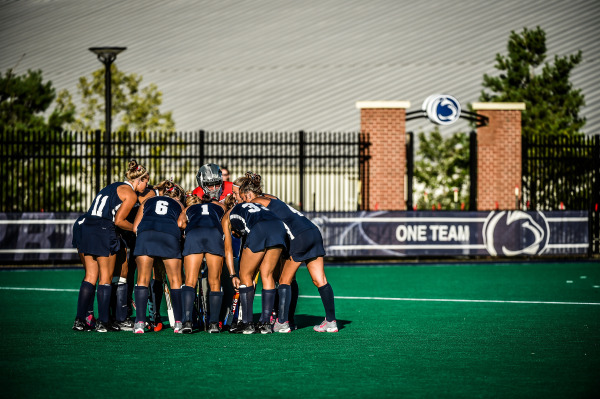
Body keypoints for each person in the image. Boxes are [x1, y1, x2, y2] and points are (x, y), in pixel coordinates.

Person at [240, 173, 338, 333]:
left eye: (244, 199)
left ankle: (283, 322)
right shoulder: (271, 197)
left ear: (249, 194)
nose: (245, 203)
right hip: (313, 231)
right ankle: (331, 321)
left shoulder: (256, 202)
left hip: (297, 237)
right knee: (320, 280)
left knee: (285, 280)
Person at [73, 160, 149, 333]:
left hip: (86, 226)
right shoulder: (131, 194)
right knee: (105, 278)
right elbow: (119, 221)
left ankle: (80, 320)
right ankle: (103, 322)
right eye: (146, 181)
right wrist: (138, 229)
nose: (146, 185)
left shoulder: (112, 186)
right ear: (139, 179)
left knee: (90, 276)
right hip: (103, 229)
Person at [222, 180, 288, 334]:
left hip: (259, 229)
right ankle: (265, 323)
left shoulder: (227, 216)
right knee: (267, 274)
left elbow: (228, 248)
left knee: (245, 275)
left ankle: (247, 323)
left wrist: (233, 274)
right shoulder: (258, 205)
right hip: (278, 227)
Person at [178, 192, 239, 333]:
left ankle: (187, 322)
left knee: (190, 281)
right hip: (214, 235)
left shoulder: (189, 209)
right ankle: (213, 324)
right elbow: (226, 225)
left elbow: (180, 223)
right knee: (215, 281)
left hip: (194, 234)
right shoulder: (220, 207)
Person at [132, 180, 185, 334]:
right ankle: (178, 323)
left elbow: (135, 228)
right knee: (175, 279)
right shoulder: (180, 205)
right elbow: (181, 224)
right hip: (169, 234)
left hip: (146, 235)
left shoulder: (148, 201)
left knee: (142, 278)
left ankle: (140, 322)